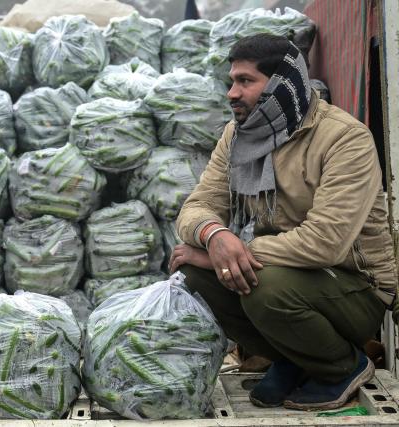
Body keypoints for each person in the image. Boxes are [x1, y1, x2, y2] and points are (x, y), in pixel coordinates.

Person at [170, 33, 397, 411]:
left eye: (245, 81)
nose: (231, 93)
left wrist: (229, 255)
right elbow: (198, 207)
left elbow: (326, 242)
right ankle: (292, 359)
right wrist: (214, 235)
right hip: (289, 275)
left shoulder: (344, 138)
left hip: (354, 285)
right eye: (231, 81)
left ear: (281, 85)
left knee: (262, 286)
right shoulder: (239, 135)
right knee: (194, 277)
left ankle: (342, 366)